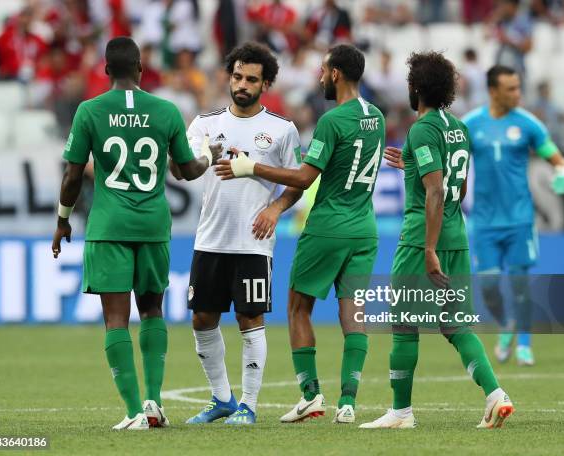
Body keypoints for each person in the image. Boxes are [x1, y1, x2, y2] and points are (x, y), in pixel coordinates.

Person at [51, 36, 219, 431]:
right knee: (152, 311)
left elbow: (73, 174)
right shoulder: (166, 110)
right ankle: (154, 403)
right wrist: (209, 155)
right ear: (142, 69)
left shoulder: (89, 110)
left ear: (106, 71)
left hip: (109, 226)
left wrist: (62, 220)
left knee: (115, 319)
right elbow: (188, 170)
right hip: (153, 225)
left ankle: (131, 413)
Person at [216, 44, 385, 424]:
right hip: (364, 228)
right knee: (354, 311)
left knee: (297, 307)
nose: (320, 77)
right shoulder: (376, 115)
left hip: (328, 227)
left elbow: (306, 177)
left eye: (324, 70)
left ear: (337, 74)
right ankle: (348, 402)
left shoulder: (332, 120)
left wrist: (251, 167)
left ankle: (311, 395)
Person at [367, 51, 513, 429]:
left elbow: (436, 190)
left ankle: (401, 412)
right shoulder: (459, 127)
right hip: (457, 237)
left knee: (403, 324)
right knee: (456, 323)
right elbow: (459, 186)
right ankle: (496, 395)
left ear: (414, 88)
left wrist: (429, 248)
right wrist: (413, 165)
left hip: (421, 241)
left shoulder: (422, 128)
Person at [175, 42, 303, 425]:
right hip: (210, 238)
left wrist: (276, 208)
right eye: (237, 76)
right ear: (229, 77)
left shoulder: (281, 130)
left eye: (251, 79)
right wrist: (201, 157)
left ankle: (248, 404)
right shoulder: (204, 124)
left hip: (253, 240)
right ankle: (222, 398)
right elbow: (183, 170)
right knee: (202, 319)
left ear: (265, 85)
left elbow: (299, 180)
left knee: (249, 319)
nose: (242, 84)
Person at [461, 65, 564, 366]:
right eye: (510, 89)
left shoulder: (529, 124)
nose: (517, 94)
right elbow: (451, 162)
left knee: (521, 284)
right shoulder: (470, 124)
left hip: (520, 220)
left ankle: (524, 343)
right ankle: (506, 323)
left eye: (518, 87)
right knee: (488, 286)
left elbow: (559, 161)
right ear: (493, 91)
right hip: (484, 222)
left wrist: (563, 174)